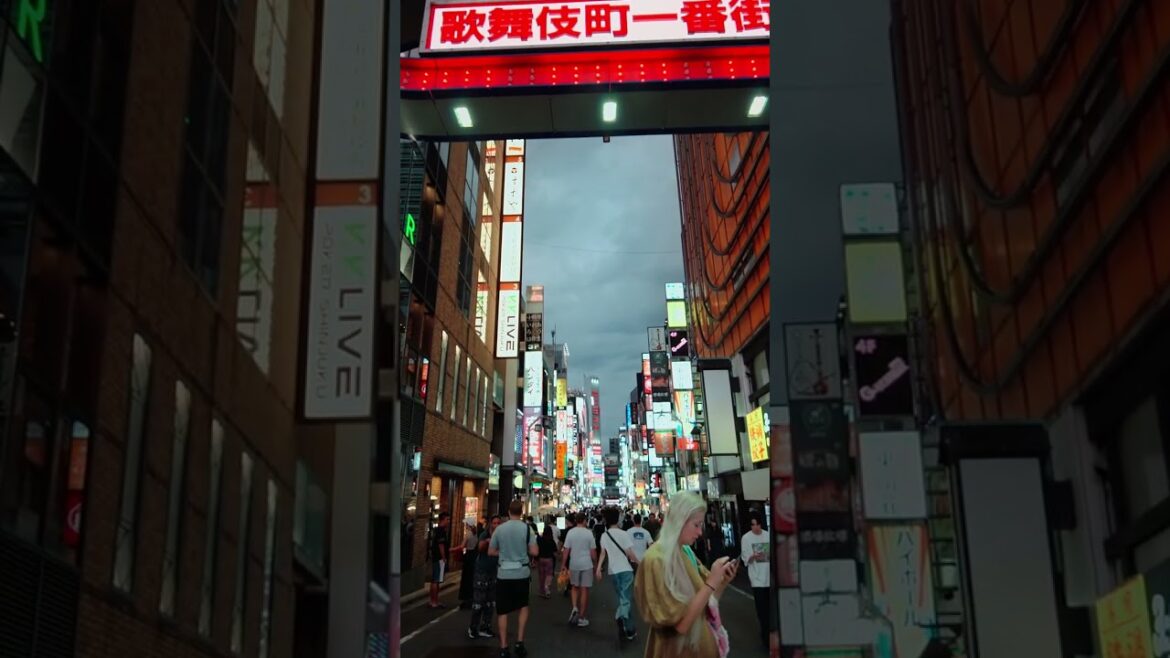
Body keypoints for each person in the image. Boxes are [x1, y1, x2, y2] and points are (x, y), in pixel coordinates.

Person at [634, 491, 736, 658]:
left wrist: (722, 581)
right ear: (679, 521)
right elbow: (680, 625)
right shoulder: (656, 560)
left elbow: (707, 603)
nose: (700, 532)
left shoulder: (685, 551)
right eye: (696, 525)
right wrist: (711, 582)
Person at [489, 500, 538, 658]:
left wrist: (503, 554)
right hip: (521, 573)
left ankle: (504, 647)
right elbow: (535, 552)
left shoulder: (500, 529)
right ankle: (519, 642)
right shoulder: (527, 528)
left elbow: (491, 551)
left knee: (502, 611)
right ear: (521, 511)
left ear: (509, 512)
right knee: (523, 607)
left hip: (503, 573)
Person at [596, 506, 640, 642]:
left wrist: (598, 569)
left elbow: (603, 553)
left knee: (623, 599)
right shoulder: (623, 534)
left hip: (613, 571)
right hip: (626, 570)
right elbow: (630, 554)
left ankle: (630, 629)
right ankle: (620, 617)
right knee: (626, 600)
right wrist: (640, 563)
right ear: (617, 519)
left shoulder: (605, 535)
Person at [740, 513, 771, 651]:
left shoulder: (767, 535)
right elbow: (745, 560)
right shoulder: (746, 538)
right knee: (762, 612)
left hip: (769, 578)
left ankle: (771, 636)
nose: (756, 527)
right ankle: (765, 639)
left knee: (771, 611)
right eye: (753, 524)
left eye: (757, 524)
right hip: (757, 580)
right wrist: (752, 556)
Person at [469, 515, 503, 639]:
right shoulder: (484, 535)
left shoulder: (502, 537)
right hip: (482, 571)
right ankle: (473, 627)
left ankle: (485, 627)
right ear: (490, 524)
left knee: (490, 602)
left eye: (499, 523)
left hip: (494, 571)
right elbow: (480, 548)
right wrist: (488, 541)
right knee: (479, 601)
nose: (496, 525)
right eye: (494, 523)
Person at [562, 512, 598, 627]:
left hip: (574, 563)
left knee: (574, 587)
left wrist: (563, 564)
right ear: (584, 521)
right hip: (586, 564)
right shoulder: (589, 533)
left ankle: (574, 608)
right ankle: (581, 617)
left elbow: (566, 550)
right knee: (584, 590)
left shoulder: (571, 533)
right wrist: (596, 564)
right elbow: (593, 552)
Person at [429, 512, 451, 608]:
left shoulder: (438, 530)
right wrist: (444, 557)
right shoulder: (441, 531)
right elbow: (441, 545)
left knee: (436, 580)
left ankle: (434, 601)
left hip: (436, 557)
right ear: (442, 520)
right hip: (438, 558)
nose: (448, 521)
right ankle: (434, 602)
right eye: (447, 519)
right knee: (436, 580)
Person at [460, 518, 480, 609]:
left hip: (468, 556)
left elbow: (462, 546)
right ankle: (473, 597)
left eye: (466, 524)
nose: (465, 525)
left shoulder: (468, 534)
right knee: (472, 577)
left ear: (468, 524)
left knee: (466, 578)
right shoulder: (476, 534)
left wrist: (452, 550)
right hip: (474, 556)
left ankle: (466, 599)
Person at [537, 520, 558, 598]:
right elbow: (555, 552)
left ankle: (541, 590)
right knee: (548, 575)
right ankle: (547, 588)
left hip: (540, 559)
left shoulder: (539, 539)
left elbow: (537, 549)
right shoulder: (551, 541)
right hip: (549, 559)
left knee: (541, 575)